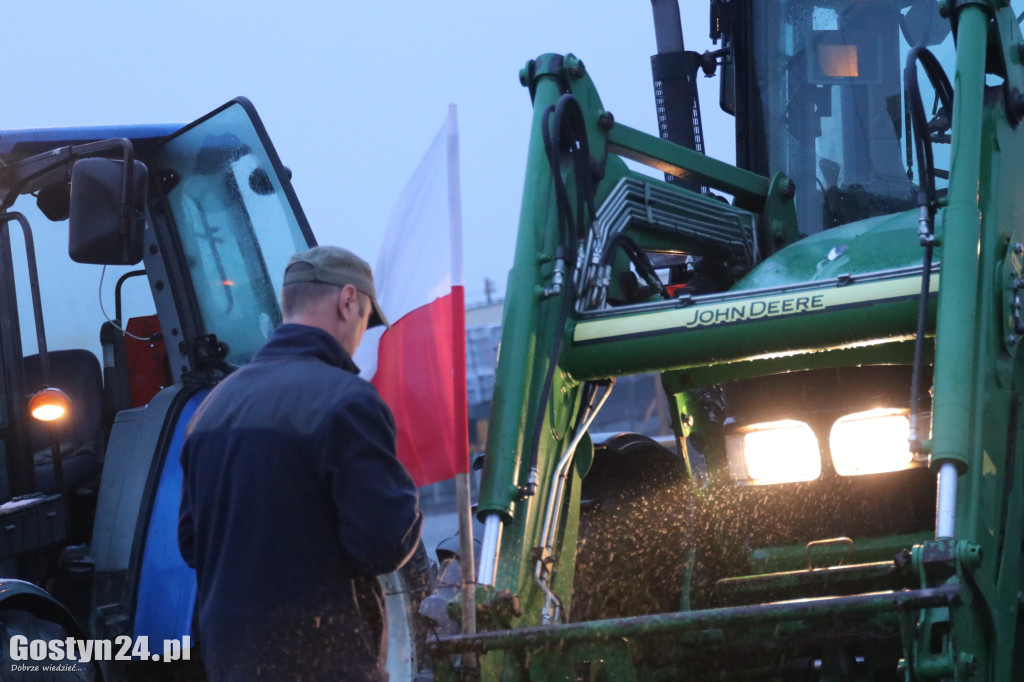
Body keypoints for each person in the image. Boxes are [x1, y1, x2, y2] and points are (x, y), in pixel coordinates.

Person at [178, 246, 423, 681]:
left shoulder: (210, 410)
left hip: (229, 661)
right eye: (366, 319)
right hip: (324, 660)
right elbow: (383, 544)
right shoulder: (346, 401)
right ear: (348, 300)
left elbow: (192, 543)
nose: (361, 334)